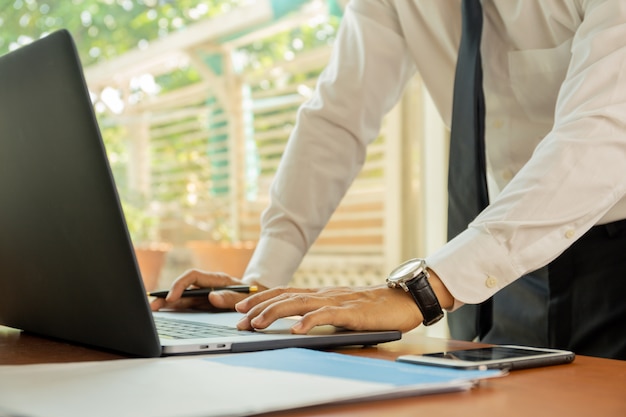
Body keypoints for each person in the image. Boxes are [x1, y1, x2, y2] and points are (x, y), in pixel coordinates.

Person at [151, 0, 626, 360]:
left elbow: (602, 131)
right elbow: (336, 118)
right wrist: (258, 285)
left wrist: (424, 289)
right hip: (506, 265)